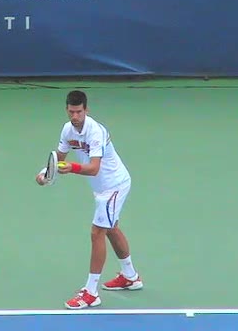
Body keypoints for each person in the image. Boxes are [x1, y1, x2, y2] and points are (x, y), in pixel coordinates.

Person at [35, 90, 143, 309]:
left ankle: (91, 292)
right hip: (101, 188)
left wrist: (71, 168)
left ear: (86, 110)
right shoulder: (67, 130)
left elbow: (94, 168)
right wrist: (45, 173)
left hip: (114, 186)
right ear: (67, 110)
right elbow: (59, 158)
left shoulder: (96, 132)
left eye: (79, 112)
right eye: (71, 112)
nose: (75, 116)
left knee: (97, 232)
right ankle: (130, 276)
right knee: (111, 228)